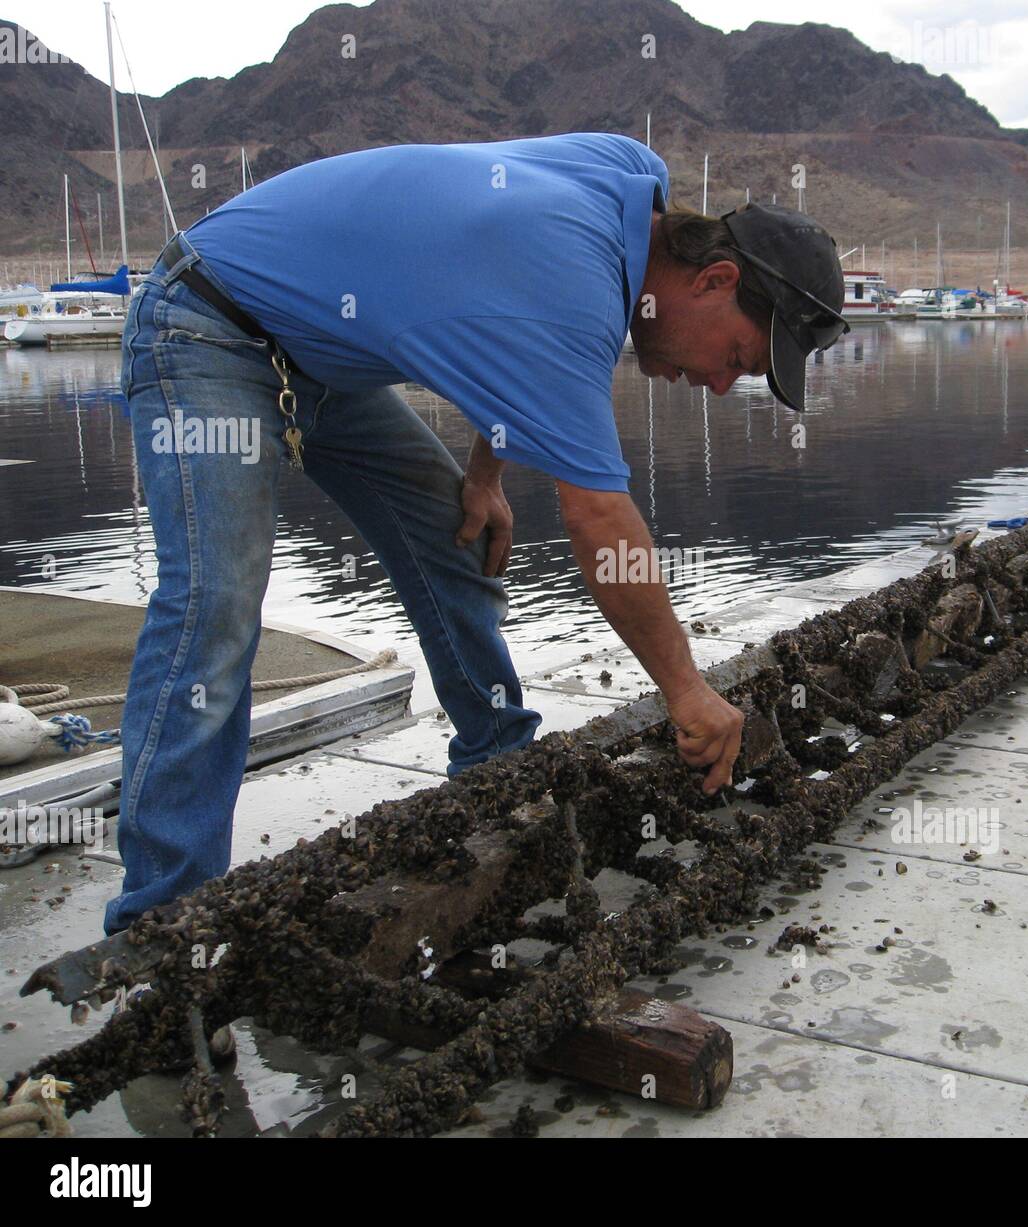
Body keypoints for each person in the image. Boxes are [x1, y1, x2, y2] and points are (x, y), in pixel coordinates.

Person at [106, 131, 848, 934]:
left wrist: (485, 475)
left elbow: (502, 300)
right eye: (736, 357)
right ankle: (163, 924)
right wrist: (687, 692)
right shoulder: (580, 289)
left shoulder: (631, 177)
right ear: (715, 277)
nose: (716, 383)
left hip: (325, 361)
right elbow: (602, 523)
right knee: (213, 607)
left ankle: (497, 770)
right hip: (208, 323)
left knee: (453, 532)